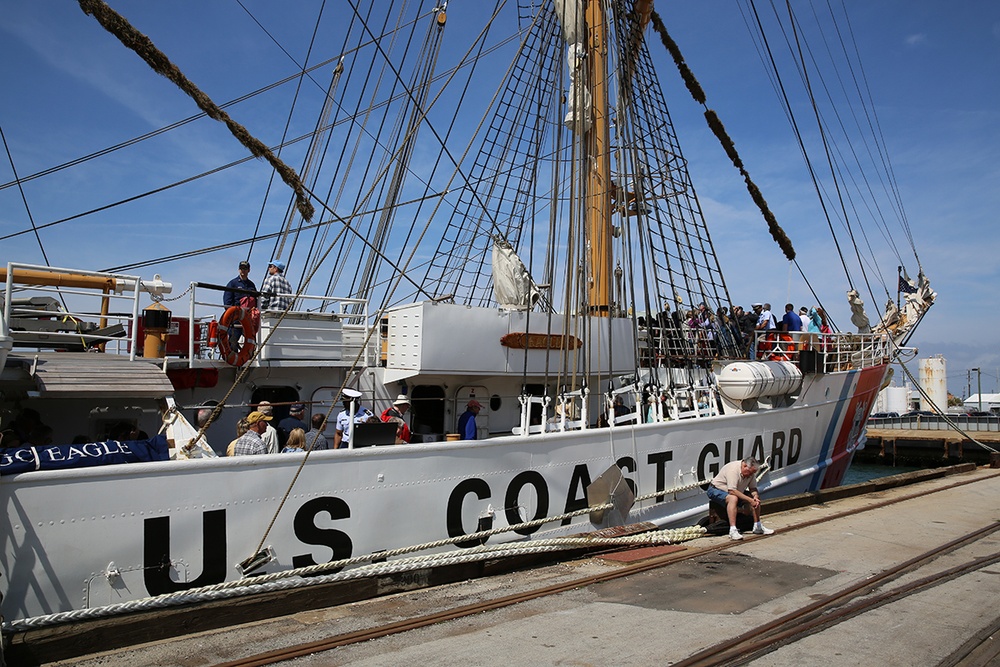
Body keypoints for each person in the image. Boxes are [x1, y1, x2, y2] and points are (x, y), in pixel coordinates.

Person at [706, 457, 775, 540]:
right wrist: (750, 500)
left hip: (736, 490)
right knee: (733, 498)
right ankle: (733, 530)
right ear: (745, 466)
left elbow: (753, 488)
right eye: (749, 472)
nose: (750, 475)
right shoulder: (733, 470)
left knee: (754, 499)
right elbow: (732, 491)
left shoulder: (751, 473)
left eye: (752, 473)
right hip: (716, 489)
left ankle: (757, 526)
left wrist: (755, 497)